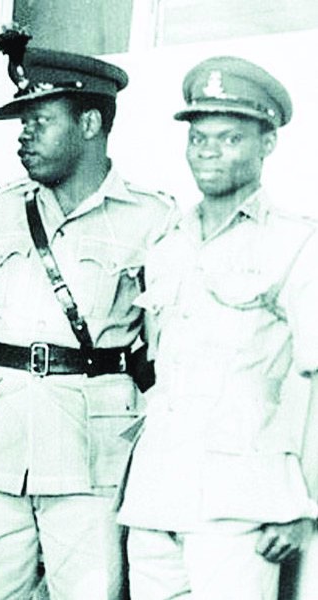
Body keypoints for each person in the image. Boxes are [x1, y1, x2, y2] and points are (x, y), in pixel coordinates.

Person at [0, 30, 176, 600]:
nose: (24, 137)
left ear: (90, 124)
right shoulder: (0, 211)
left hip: (92, 451)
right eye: (23, 123)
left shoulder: (153, 219)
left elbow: (169, 353)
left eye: (40, 121)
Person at [117, 56, 318, 600]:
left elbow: (316, 385)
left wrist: (305, 506)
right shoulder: (166, 242)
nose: (209, 151)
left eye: (230, 138)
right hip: (156, 496)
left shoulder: (297, 244)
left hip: (241, 505)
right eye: (199, 138)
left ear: (267, 144)